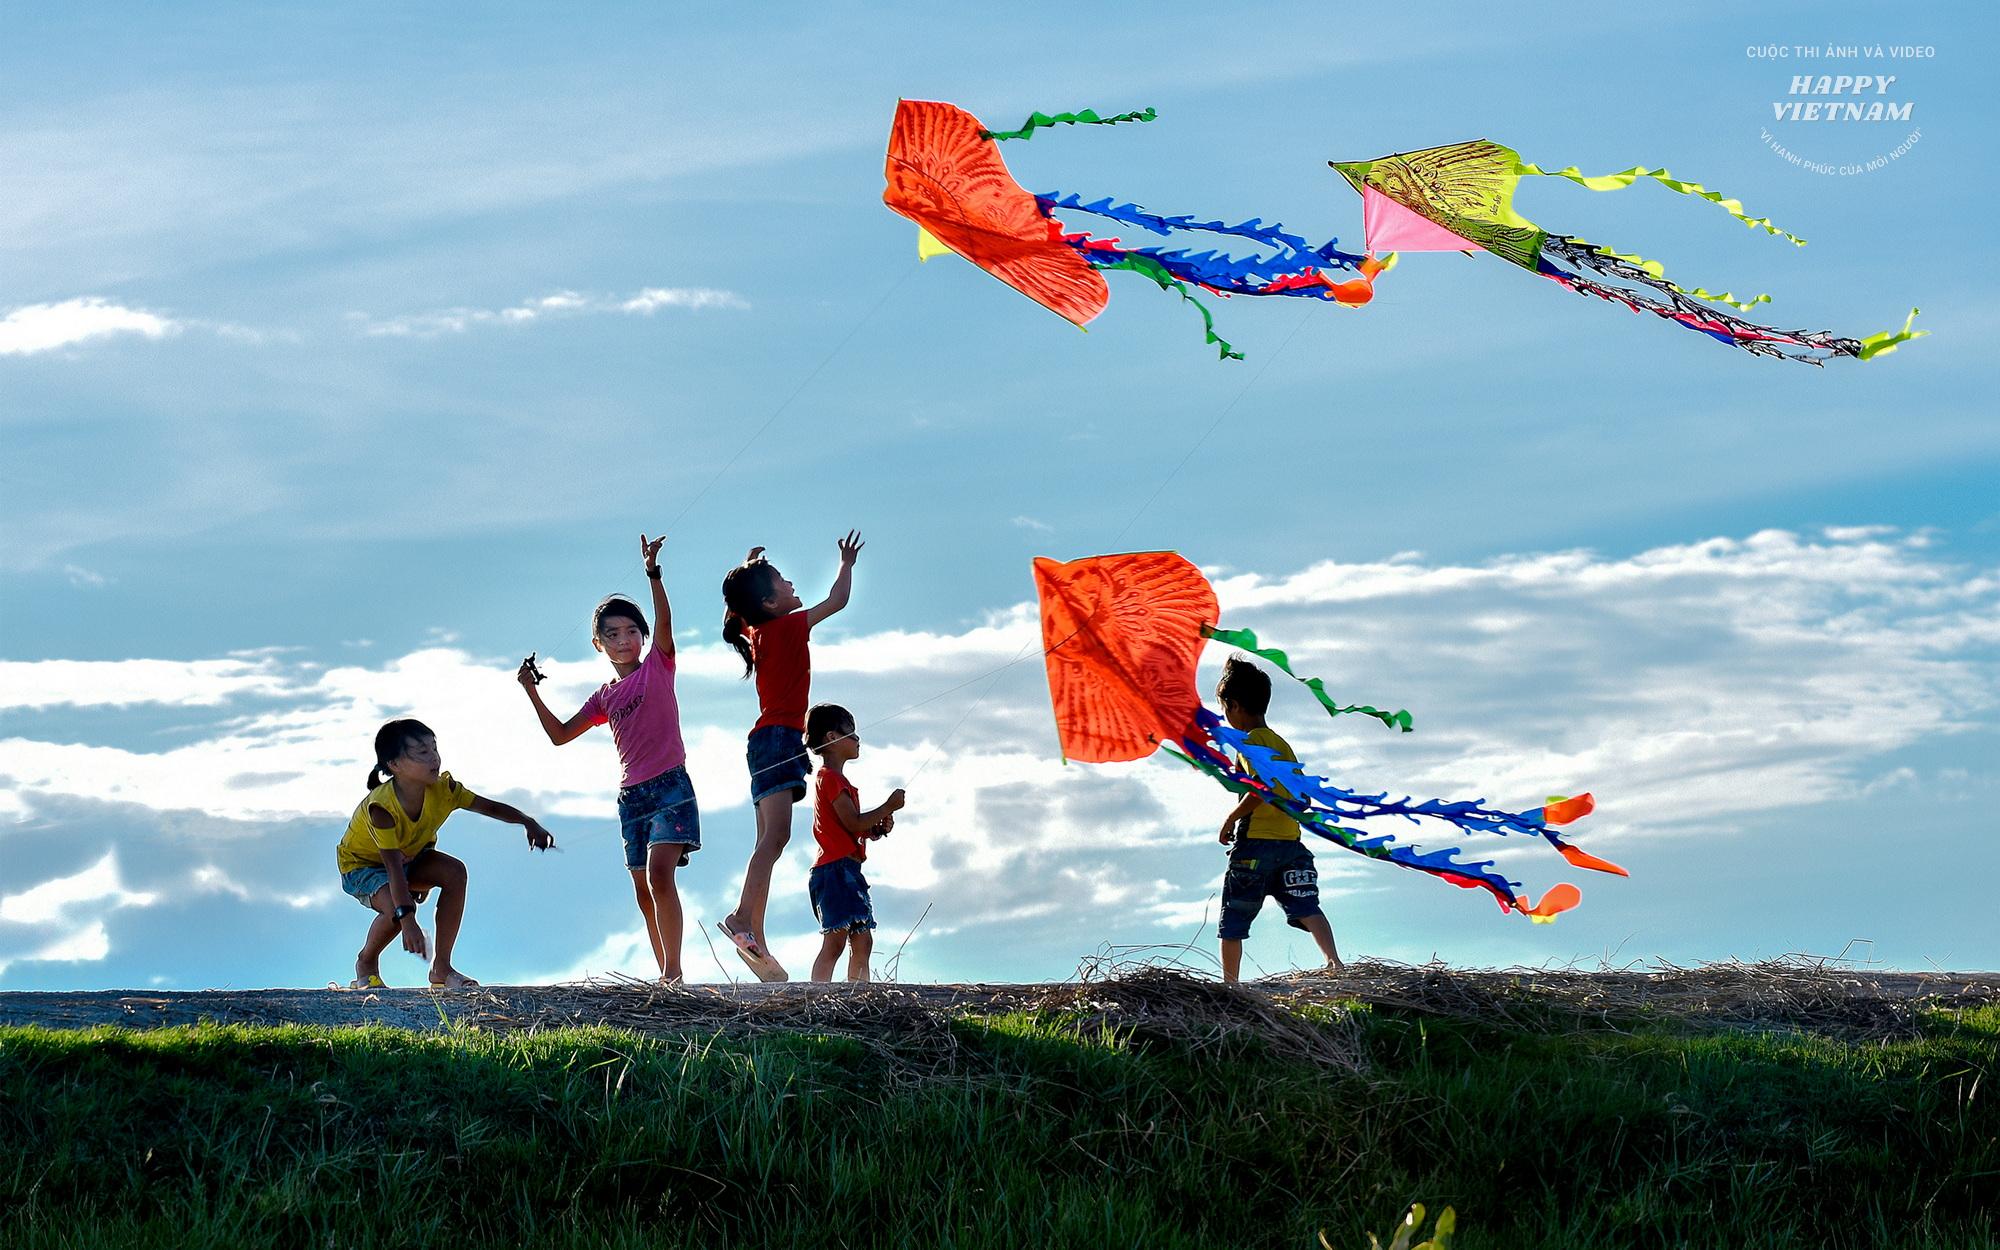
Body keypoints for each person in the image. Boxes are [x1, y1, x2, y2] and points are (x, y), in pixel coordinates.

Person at [519, 533, 698, 983]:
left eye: (631, 631)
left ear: (643, 637)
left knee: (660, 875)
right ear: (598, 643)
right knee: (642, 889)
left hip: (671, 785)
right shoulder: (604, 697)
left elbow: (665, 622)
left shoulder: (659, 664)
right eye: (612, 634)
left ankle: (673, 973)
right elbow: (560, 735)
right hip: (631, 796)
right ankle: (664, 971)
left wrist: (652, 573)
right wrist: (531, 692)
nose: (624, 640)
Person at [715, 531, 863, 981]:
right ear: (771, 603)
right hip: (779, 740)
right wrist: (847, 564)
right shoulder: (787, 626)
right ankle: (743, 917)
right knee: (774, 839)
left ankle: (752, 931)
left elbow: (736, 614)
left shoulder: (758, 630)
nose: (790, 582)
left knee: (769, 841)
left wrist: (745, 567)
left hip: (767, 743)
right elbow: (837, 601)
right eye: (781, 581)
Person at [337, 718, 555, 989]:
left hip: (410, 857)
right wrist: (409, 922)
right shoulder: (382, 808)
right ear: (394, 765)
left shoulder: (444, 790)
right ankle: (366, 962)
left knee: (454, 872)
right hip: (364, 866)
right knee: (397, 911)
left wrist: (527, 822)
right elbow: (393, 869)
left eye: (434, 748)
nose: (434, 758)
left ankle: (441, 968)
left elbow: (490, 808)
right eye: (422, 752)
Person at [1213, 657, 1344, 983]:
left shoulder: (1251, 742)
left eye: (1224, 708)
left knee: (1234, 916)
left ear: (1234, 705)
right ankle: (1334, 962)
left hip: (1255, 842)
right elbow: (1299, 794)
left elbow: (1263, 788)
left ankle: (1230, 986)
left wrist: (1231, 818)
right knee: (1306, 905)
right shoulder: (1282, 743)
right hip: (1290, 842)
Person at [801, 702, 906, 983]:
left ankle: (857, 997)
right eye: (852, 733)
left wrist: (876, 830)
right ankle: (817, 996)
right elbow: (853, 823)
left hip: (847, 870)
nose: (857, 739)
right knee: (835, 941)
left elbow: (853, 828)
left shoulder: (838, 781)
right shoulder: (830, 778)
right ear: (832, 738)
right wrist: (887, 806)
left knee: (862, 941)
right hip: (835, 872)